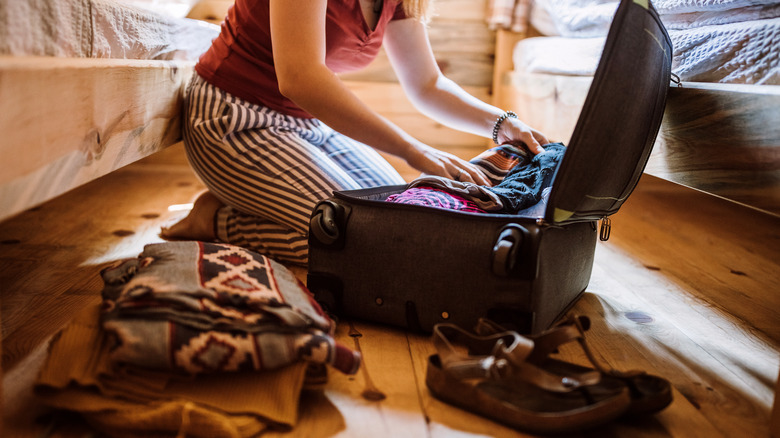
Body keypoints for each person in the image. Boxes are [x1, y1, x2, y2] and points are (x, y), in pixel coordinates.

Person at [161, 0, 549, 265]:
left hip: (308, 124)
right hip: (234, 118)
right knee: (369, 248)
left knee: (405, 226)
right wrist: (412, 149)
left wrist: (501, 121)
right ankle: (218, 220)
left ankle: (250, 198)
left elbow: (428, 83)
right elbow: (300, 78)